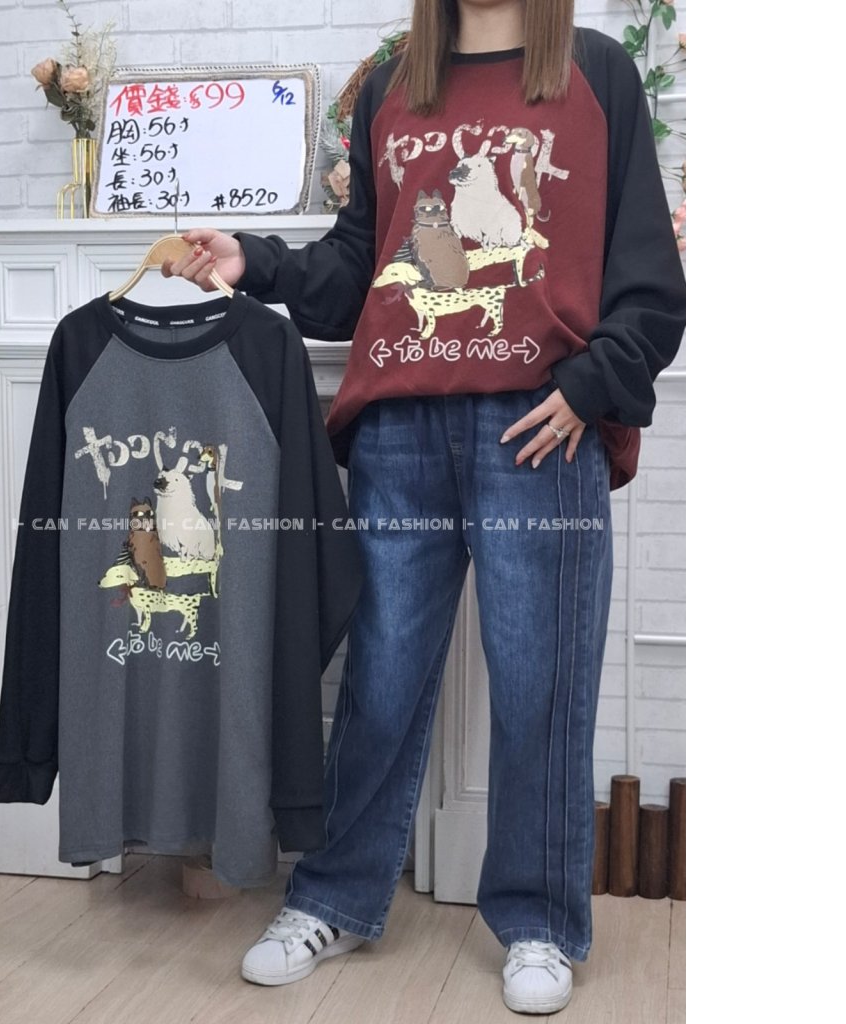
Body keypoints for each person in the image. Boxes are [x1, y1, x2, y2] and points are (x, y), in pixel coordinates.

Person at [162, 0, 685, 1013]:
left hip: (539, 426)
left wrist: (591, 385)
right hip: (400, 426)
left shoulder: (596, 73)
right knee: (381, 679)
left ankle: (538, 920)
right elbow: (361, 264)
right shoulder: (398, 86)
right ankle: (333, 895)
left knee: (542, 685)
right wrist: (253, 263)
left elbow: (645, 274)